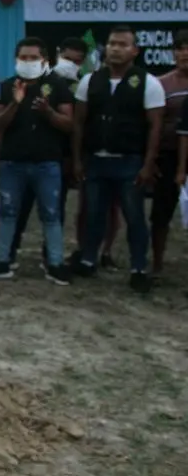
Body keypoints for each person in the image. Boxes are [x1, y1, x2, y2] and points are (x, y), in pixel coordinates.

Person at [71, 25, 164, 293]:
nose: (115, 49)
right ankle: (88, 260)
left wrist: (148, 164)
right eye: (112, 43)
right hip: (96, 161)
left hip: (130, 163)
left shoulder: (148, 83)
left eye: (123, 44)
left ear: (134, 51)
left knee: (134, 217)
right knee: (94, 215)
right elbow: (79, 123)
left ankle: (138, 269)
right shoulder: (90, 80)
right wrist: (77, 160)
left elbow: (155, 127)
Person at [0, 37, 73, 285]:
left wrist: (48, 112)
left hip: (47, 164)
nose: (28, 62)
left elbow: (69, 124)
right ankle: (2, 260)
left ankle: (55, 263)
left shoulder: (57, 85)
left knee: (51, 213)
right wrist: (15, 102)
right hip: (13, 162)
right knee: (8, 212)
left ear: (45, 60)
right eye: (23, 57)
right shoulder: (7, 86)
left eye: (33, 58)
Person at [55, 38, 122, 269]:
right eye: (68, 58)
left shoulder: (97, 84)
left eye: (77, 60)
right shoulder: (55, 81)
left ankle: (106, 251)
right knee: (86, 206)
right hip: (72, 153)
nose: (72, 64)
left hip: (103, 151)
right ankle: (83, 250)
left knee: (112, 207)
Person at [151, 29, 188, 277]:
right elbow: (152, 124)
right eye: (180, 48)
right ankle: (156, 264)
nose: (185, 53)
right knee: (160, 215)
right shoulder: (161, 84)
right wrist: (150, 158)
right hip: (167, 155)